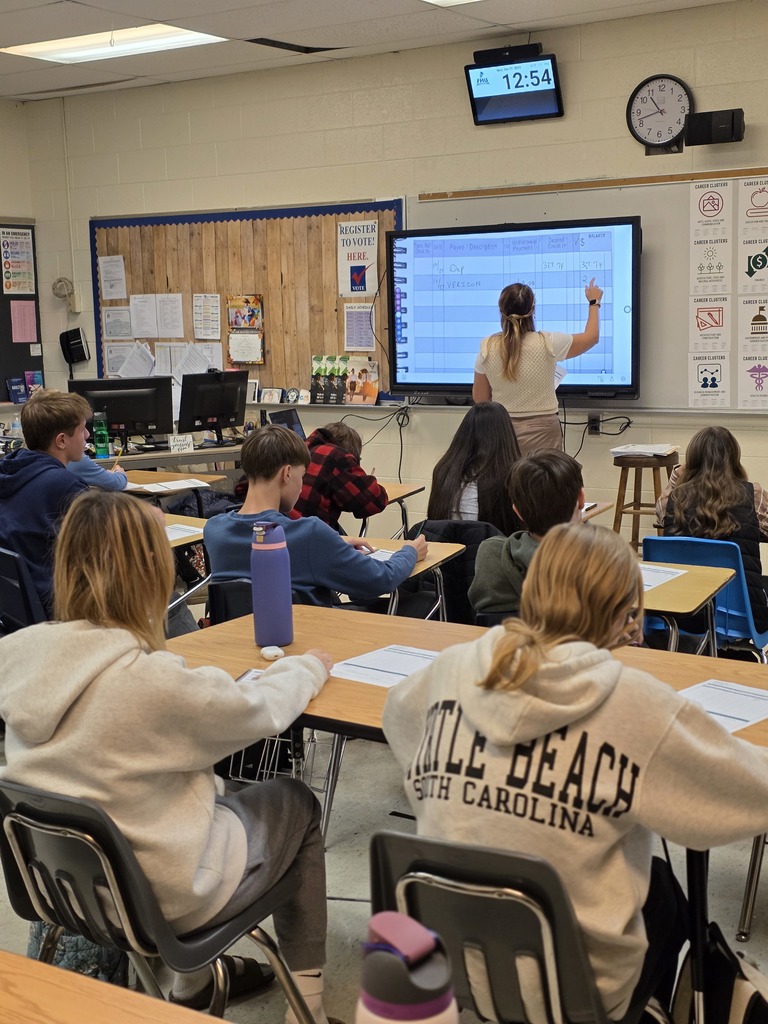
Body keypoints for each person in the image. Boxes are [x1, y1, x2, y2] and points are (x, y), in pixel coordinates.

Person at [383, 523, 768, 1022]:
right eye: (632, 621)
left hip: (450, 958)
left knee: (658, 884)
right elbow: (744, 795)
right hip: (575, 989)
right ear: (619, 615)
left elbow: (400, 720)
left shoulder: (452, 668)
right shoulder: (636, 704)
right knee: (665, 899)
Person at [0, 489, 337, 1021]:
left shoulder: (18, 657)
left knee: (211, 796)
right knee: (294, 801)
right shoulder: (150, 683)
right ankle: (308, 1007)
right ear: (151, 571)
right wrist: (308, 666)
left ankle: (196, 985)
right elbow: (261, 711)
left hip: (60, 889)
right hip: (160, 900)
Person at [204, 424, 427, 606]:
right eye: (302, 477)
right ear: (287, 473)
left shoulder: (214, 531)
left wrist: (334, 542)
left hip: (240, 643)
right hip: (310, 644)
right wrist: (409, 552)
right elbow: (382, 579)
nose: (302, 486)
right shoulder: (308, 533)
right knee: (424, 602)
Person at [656, 425, 768, 632]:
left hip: (680, 611)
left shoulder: (674, 499)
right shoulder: (754, 494)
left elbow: (660, 514)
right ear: (734, 459)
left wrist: (676, 477)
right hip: (742, 616)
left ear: (692, 460)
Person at [472, 278, 604, 455]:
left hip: (502, 431)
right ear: (532, 309)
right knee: (544, 481)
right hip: (544, 432)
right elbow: (591, 337)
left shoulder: (487, 347)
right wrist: (594, 303)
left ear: (501, 311)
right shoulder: (548, 343)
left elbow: (480, 399)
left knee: (505, 482)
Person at [0, 388, 91, 612]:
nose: (88, 435)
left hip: (19, 608)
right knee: (161, 593)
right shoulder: (66, 486)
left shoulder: (9, 473)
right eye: (82, 429)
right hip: (61, 605)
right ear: (61, 440)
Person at [469, 450, 584, 615]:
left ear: (516, 510)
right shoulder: (599, 560)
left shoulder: (490, 554)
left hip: (505, 640)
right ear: (581, 498)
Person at [426, 401, 522, 535]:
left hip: (446, 552)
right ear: (506, 435)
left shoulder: (444, 469)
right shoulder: (512, 475)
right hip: (491, 552)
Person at [294, 422, 388, 532]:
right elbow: (375, 501)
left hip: (289, 527)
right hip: (311, 534)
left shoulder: (304, 447)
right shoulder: (338, 456)